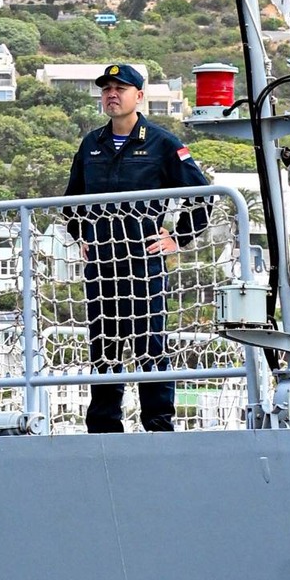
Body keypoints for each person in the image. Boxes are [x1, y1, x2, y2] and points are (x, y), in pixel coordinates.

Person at [63, 63, 212, 434]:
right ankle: (103, 426)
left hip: (143, 265)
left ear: (139, 96)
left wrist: (177, 238)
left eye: (121, 88)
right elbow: (72, 201)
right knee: (104, 344)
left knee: (150, 345)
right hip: (102, 264)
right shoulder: (90, 145)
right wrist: (81, 234)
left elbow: (202, 196)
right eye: (106, 89)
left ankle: (159, 424)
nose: (112, 94)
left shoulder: (162, 144)